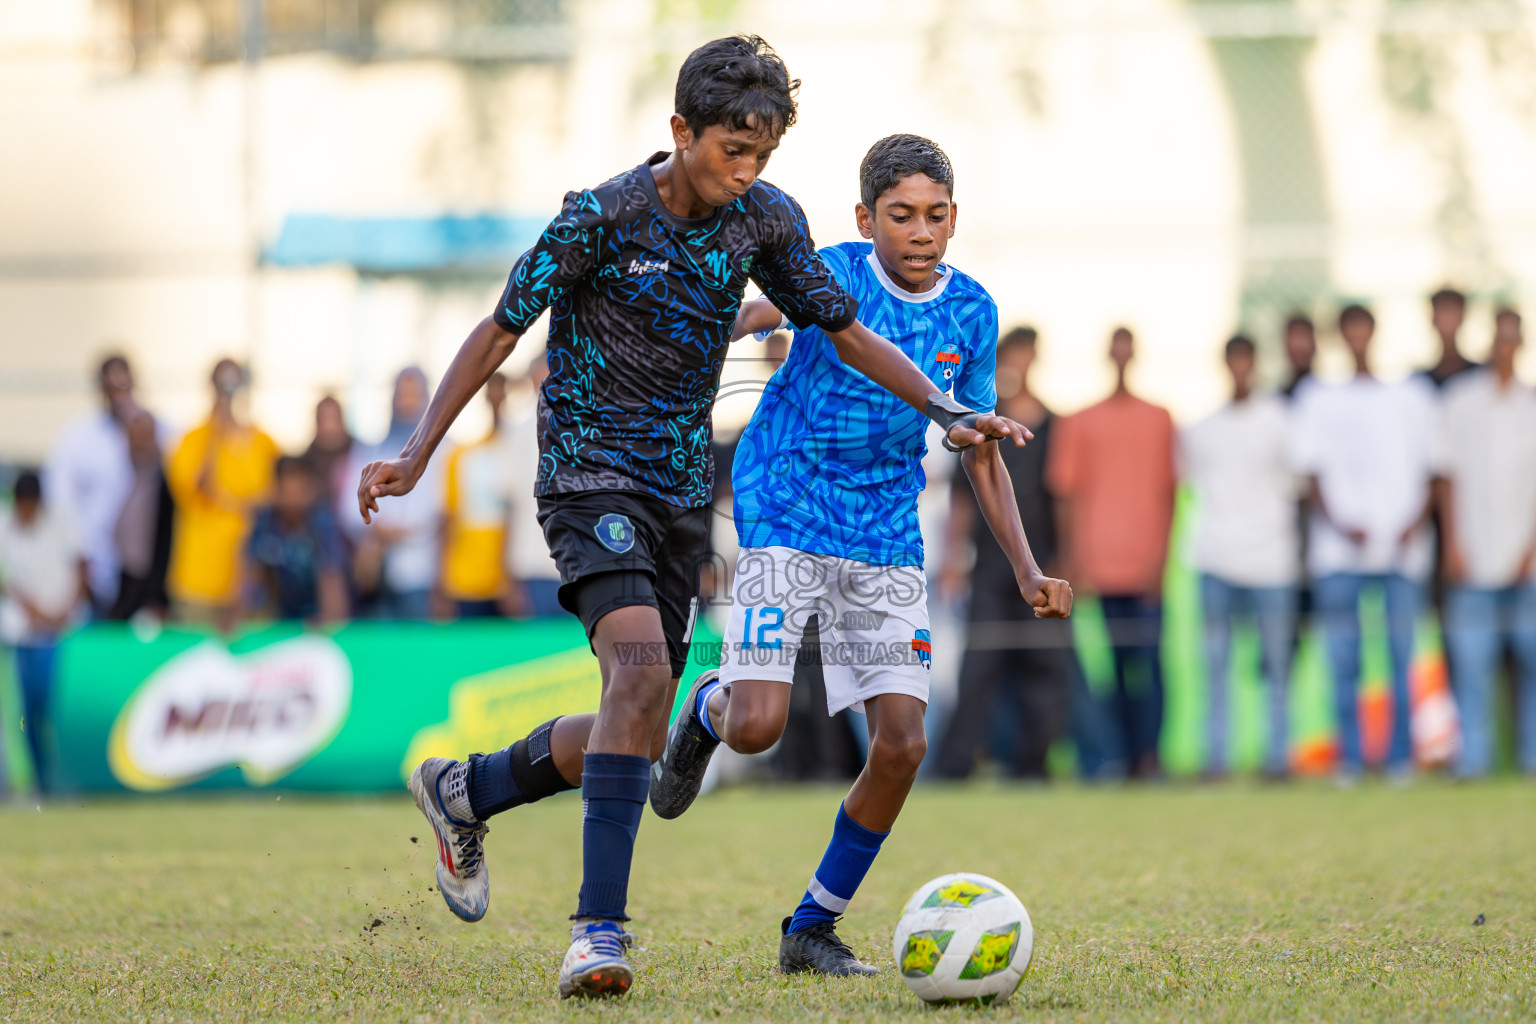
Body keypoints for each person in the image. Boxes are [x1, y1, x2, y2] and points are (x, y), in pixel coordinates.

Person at [358, 39, 1024, 1001]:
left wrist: (951, 410)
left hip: (678, 496)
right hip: (589, 479)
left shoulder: (765, 222)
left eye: (760, 155)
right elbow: (499, 329)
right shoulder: (598, 218)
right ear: (681, 131)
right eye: (729, 151)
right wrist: (417, 449)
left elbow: (849, 331)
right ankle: (597, 933)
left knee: (641, 706)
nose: (744, 173)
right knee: (636, 675)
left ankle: (471, 789)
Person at [650, 133, 1069, 969]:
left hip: (882, 528)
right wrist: (703, 322)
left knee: (904, 744)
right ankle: (708, 708)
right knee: (760, 727)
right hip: (786, 504)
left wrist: (1026, 567)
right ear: (864, 218)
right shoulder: (833, 270)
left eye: (936, 215)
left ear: (955, 219)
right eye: (901, 215)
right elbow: (764, 309)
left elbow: (976, 441)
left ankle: (811, 928)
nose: (920, 232)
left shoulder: (973, 311)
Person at [1291, 304, 1439, 783]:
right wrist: (1338, 523)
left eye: (1363, 328)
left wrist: (1412, 522)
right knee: (1345, 661)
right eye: (1349, 329)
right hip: (1339, 555)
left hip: (1401, 551)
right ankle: (1351, 760)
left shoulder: (1413, 395)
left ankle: (1399, 760)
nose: (1357, 337)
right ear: (1341, 335)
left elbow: (1434, 470)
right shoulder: (1317, 396)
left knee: (1400, 659)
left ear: (1373, 333)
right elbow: (1310, 473)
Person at [933, 326, 1083, 781]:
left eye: (1026, 355)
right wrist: (954, 560)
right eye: (1012, 356)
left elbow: (1064, 496)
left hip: (1043, 567)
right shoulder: (983, 423)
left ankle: (1033, 764)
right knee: (977, 669)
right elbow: (962, 499)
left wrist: (1064, 561)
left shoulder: (1056, 425)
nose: (1019, 364)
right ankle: (956, 766)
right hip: (989, 568)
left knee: (1044, 670)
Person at [1046, 327, 1177, 779]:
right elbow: (1066, 494)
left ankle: (1149, 757)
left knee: (1151, 664)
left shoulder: (1160, 418)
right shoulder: (1079, 421)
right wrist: (1071, 560)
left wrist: (1162, 561)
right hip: (1097, 567)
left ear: (1134, 355)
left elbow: (1170, 493)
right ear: (1109, 355)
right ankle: (1117, 756)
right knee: (1112, 667)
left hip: (1145, 567)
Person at [1182, 335, 1299, 780]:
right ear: (1226, 365)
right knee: (1215, 669)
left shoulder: (1281, 420)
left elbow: (1300, 484)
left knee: (1277, 669)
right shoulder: (1203, 428)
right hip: (1216, 558)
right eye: (1234, 362)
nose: (1241, 369)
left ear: (1255, 364)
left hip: (1272, 561)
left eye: (1247, 361)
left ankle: (1278, 759)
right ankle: (1218, 759)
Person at [1439, 310, 1536, 778]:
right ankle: (1473, 760)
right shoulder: (1461, 403)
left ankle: (1529, 756)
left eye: (1512, 340)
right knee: (1471, 667)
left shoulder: (1532, 407)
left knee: (1531, 666)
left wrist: (1531, 549)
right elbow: (1447, 477)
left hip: (1526, 564)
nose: (1505, 348)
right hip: (1473, 557)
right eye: (1498, 340)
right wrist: (1453, 543)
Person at [165, 359, 279, 630]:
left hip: (250, 582)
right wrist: (218, 430)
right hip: (199, 585)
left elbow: (274, 500)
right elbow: (200, 489)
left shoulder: (263, 442)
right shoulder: (191, 440)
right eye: (222, 385)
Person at [44, 354, 161, 613]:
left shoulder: (158, 431)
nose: (119, 395)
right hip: (93, 573)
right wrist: (79, 564)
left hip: (144, 575)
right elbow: (60, 505)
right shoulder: (76, 439)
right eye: (111, 387)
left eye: (125, 386)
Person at [0, 471, 89, 794]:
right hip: (23, 634)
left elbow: (82, 566)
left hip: (62, 632)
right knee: (26, 712)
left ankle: (65, 777)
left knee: (60, 708)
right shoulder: (5, 526)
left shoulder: (61, 522)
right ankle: (35, 779)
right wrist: (32, 610)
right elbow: (5, 580)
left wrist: (64, 609)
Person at [347, 368, 442, 619]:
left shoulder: (446, 451)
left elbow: (445, 511)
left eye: (414, 395)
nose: (407, 403)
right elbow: (349, 507)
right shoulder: (371, 449)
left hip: (424, 575)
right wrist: (378, 529)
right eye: (403, 395)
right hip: (376, 575)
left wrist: (403, 531)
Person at [439, 374, 516, 618]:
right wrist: (442, 582)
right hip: (465, 580)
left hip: (511, 582)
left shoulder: (523, 451)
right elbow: (449, 520)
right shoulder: (461, 456)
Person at [244, 456, 348, 624]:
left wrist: (329, 622)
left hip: (318, 617)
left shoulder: (323, 522)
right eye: (288, 491)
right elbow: (251, 577)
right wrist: (241, 620)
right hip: (282, 618)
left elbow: (331, 579)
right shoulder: (265, 521)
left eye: (300, 490)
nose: (294, 499)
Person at [501, 359, 564, 618]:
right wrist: (507, 576)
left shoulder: (583, 427)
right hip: (530, 565)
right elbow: (506, 504)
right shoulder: (516, 431)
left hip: (576, 564)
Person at [108, 408, 174, 621]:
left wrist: (156, 598)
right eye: (133, 438)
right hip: (125, 585)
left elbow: (167, 542)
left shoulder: (165, 483)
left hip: (150, 595)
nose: (138, 444)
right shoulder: (129, 477)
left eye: (144, 437)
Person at [1418, 287, 1479, 390]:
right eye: (1442, 313)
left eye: (1451, 315)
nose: (1447, 322)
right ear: (1433, 319)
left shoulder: (1480, 376)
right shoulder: (1421, 381)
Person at [304, 395, 354, 510]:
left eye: (333, 418)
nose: (329, 425)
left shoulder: (357, 453)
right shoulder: (307, 460)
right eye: (325, 419)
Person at [1279, 314, 1316, 401]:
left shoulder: (1328, 392)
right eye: (1294, 337)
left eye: (1303, 336)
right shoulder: (1277, 398)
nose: (1299, 346)